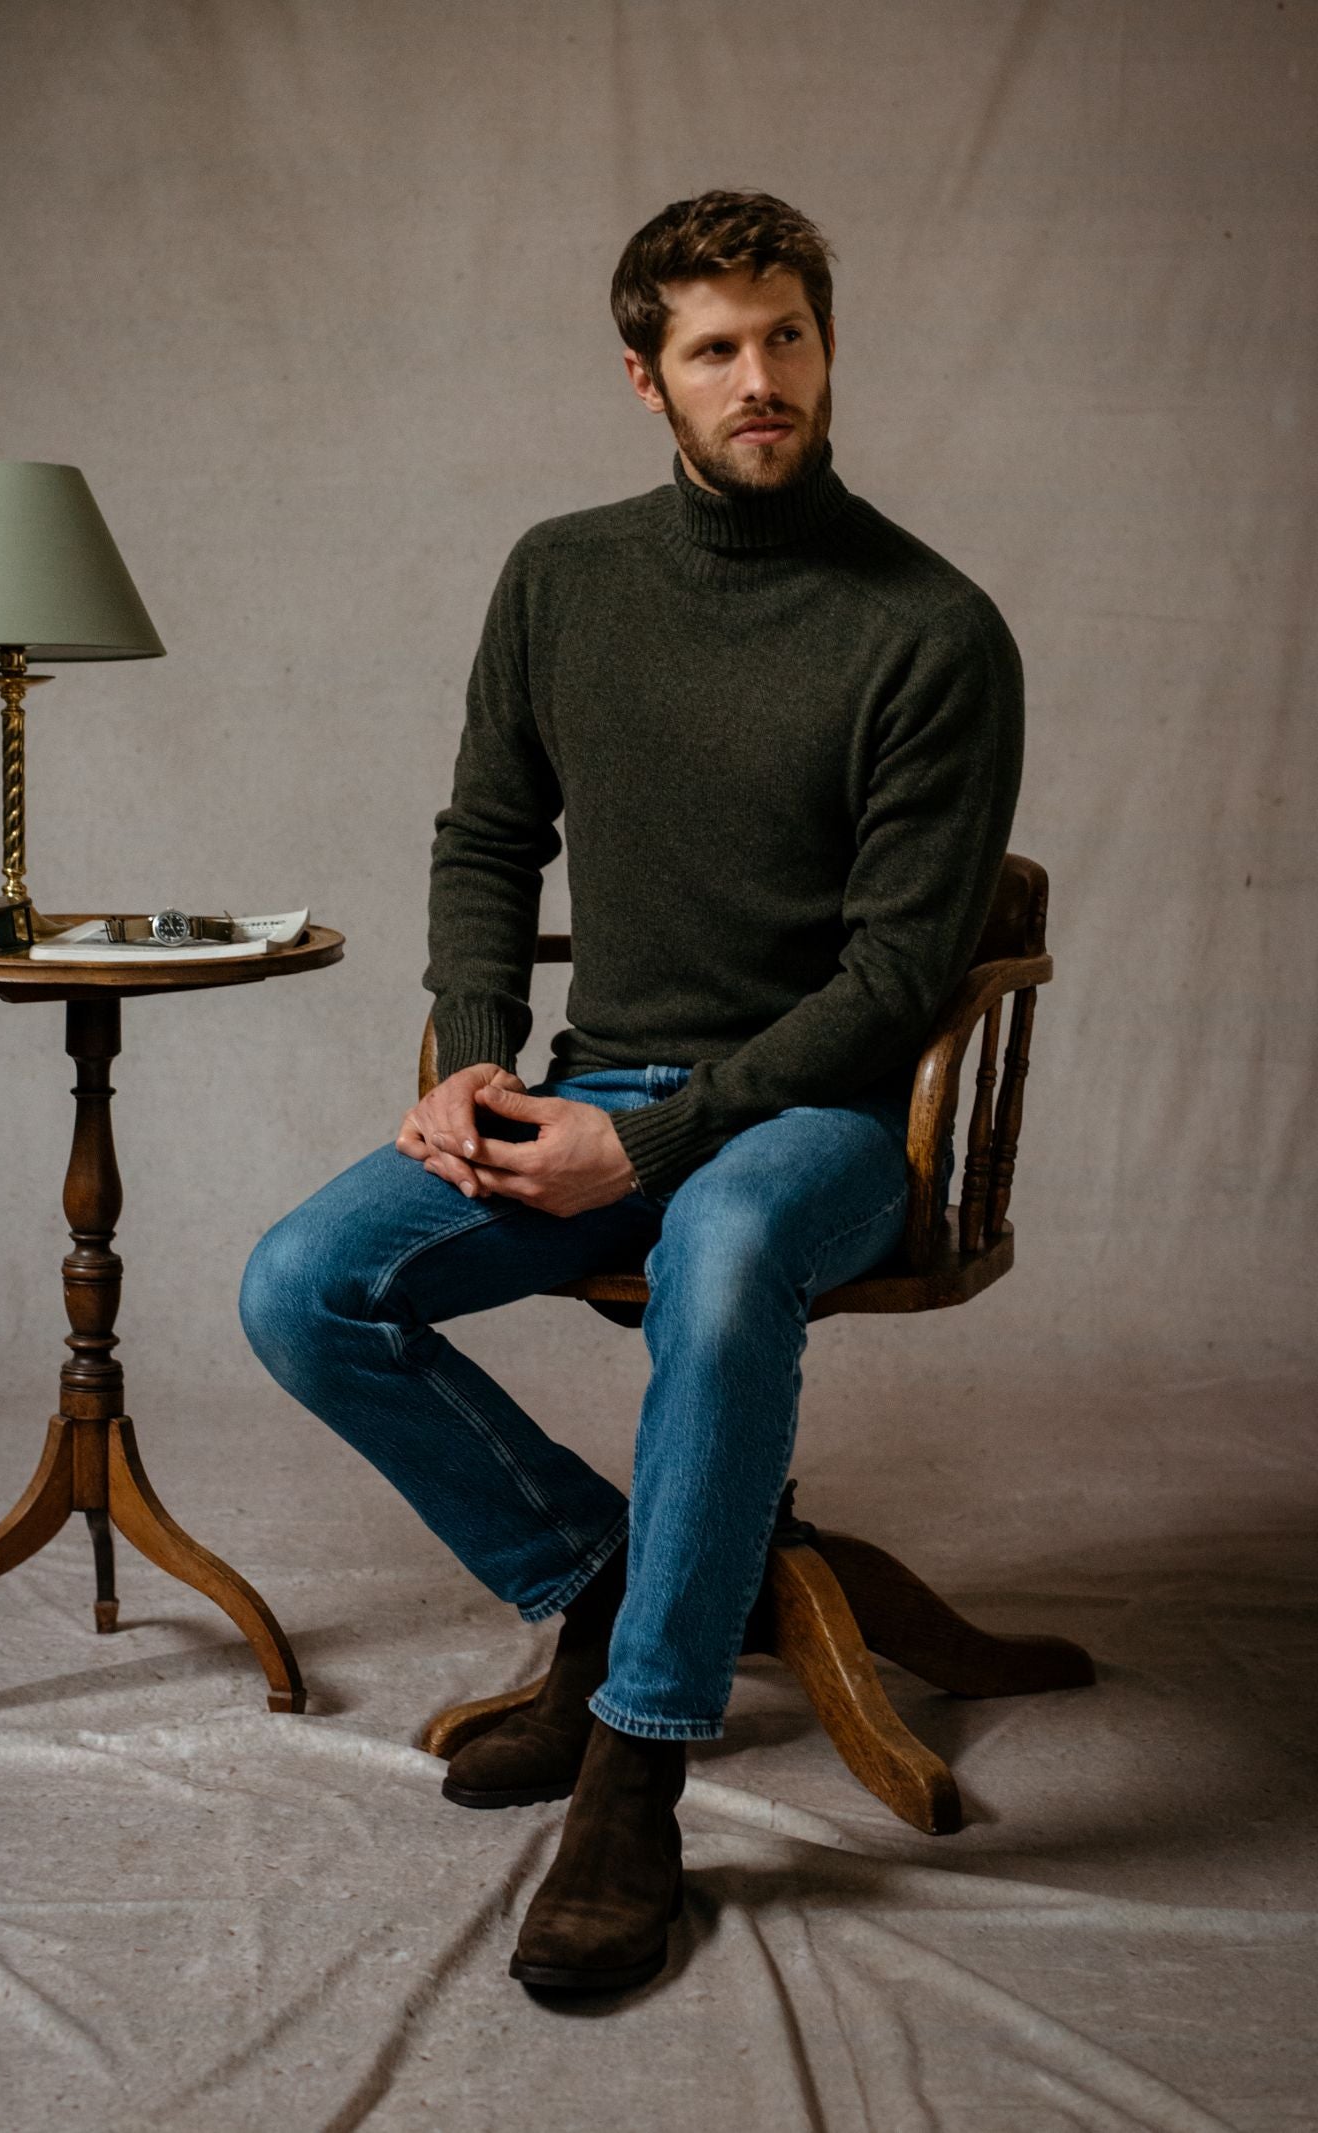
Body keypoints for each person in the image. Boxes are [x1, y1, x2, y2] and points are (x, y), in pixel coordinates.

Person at [239, 187, 1020, 1995]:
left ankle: (640, 1756)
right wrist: (477, 1048)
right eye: (718, 349)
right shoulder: (563, 575)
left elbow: (899, 982)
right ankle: (611, 1580)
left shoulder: (934, 627)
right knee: (303, 1284)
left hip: (823, 1120)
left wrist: (652, 1139)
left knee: (730, 1246)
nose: (764, 380)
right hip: (592, 1083)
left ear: (829, 348)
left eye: (790, 339)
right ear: (644, 378)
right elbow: (488, 835)